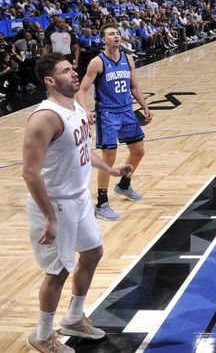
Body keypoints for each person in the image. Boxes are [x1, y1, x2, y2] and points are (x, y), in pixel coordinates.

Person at [22, 53, 133, 353]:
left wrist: (110, 170)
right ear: (50, 80)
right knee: (58, 271)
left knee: (93, 252)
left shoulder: (77, 108)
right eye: (66, 70)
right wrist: (49, 217)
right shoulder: (45, 117)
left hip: (79, 198)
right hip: (54, 205)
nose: (74, 74)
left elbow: (83, 149)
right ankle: (42, 335)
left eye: (73, 69)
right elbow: (30, 173)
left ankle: (73, 319)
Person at [76, 23, 151, 221]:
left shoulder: (128, 58)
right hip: (107, 114)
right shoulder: (97, 62)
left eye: (117, 33)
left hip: (127, 111)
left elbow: (134, 87)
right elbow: (81, 90)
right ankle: (101, 203)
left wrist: (144, 106)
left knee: (138, 151)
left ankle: (124, 185)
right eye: (111, 34)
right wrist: (85, 109)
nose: (116, 36)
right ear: (103, 39)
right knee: (108, 158)